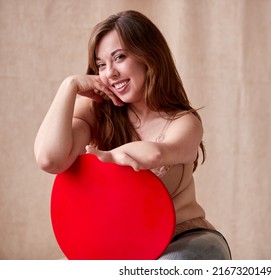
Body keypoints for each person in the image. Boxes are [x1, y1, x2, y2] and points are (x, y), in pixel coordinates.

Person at [34, 10, 231, 260]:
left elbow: (158, 153)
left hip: (181, 239)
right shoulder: (96, 112)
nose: (110, 73)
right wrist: (69, 86)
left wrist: (108, 158)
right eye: (101, 65)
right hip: (117, 247)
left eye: (119, 57)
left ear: (149, 57)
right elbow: (49, 160)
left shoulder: (184, 122)